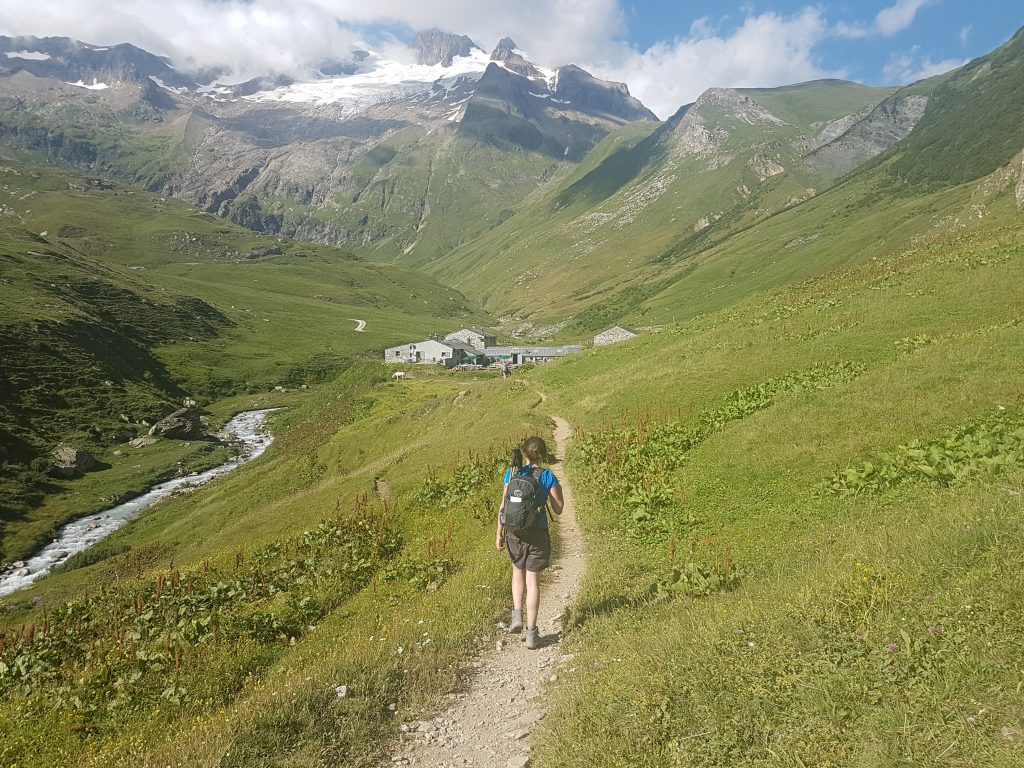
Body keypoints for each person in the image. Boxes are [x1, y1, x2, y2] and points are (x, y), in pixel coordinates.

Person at [495, 436, 564, 649]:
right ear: (543, 454)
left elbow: (503, 506)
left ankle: (517, 616)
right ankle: (532, 634)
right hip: (538, 531)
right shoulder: (547, 476)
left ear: (524, 453)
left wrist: (499, 534)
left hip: (514, 532)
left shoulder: (512, 474)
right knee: (533, 582)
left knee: (518, 572)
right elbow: (559, 508)